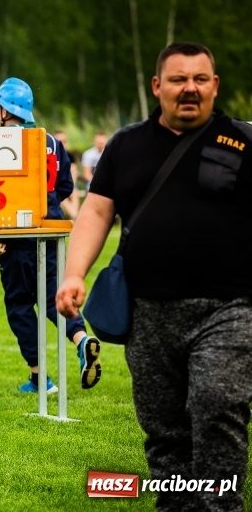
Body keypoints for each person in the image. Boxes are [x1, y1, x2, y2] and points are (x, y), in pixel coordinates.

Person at [56, 42, 252, 511]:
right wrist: (74, 273)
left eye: (200, 79)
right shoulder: (127, 145)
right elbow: (98, 211)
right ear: (157, 86)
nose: (190, 89)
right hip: (147, 311)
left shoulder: (244, 142)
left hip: (228, 309)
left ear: (215, 85)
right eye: (179, 79)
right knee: (163, 428)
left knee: (217, 406)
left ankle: (220, 506)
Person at [0, 77, 101, 394]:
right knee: (53, 296)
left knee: (20, 304)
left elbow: (8, 192)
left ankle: (40, 378)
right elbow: (65, 186)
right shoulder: (50, 140)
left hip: (19, 233)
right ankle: (82, 339)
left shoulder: (5, 144)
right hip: (51, 229)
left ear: (7, 111)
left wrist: (1, 237)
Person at [55, 130, 81, 219]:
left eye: (64, 141)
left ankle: (74, 216)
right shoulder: (51, 155)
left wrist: (71, 185)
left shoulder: (70, 155)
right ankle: (75, 217)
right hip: (56, 185)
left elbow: (73, 172)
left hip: (68, 182)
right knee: (61, 194)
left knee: (74, 193)